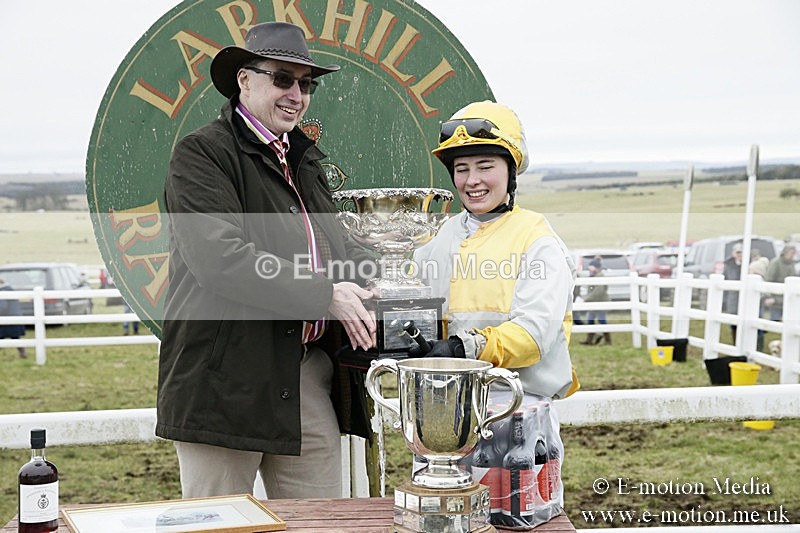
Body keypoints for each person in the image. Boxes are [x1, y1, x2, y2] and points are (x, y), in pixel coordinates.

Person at [156, 22, 377, 500]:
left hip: (305, 376)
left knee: (324, 524)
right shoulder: (202, 154)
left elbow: (338, 247)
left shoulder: (303, 160)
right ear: (244, 80)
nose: (296, 94)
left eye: (307, 84)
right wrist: (325, 294)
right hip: (224, 384)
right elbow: (221, 259)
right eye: (282, 79)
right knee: (216, 529)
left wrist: (382, 276)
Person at [412, 100, 579, 400]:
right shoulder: (438, 235)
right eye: (461, 169)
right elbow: (409, 300)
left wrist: (466, 347)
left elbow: (534, 333)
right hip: (444, 404)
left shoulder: (537, 240)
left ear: (511, 172)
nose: (472, 180)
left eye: (485, 167)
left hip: (518, 408)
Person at [581, 257, 610, 345]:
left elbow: (598, 292)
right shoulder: (593, 275)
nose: (589, 268)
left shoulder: (600, 276)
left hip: (600, 302)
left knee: (602, 320)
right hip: (593, 303)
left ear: (596, 267)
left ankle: (608, 340)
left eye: (591, 266)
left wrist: (586, 299)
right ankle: (589, 340)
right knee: (590, 320)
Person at [764, 244, 797, 321]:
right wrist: (769, 296)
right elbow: (768, 279)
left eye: (794, 253)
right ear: (785, 252)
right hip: (775, 297)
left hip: (788, 297)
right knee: (775, 319)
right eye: (791, 253)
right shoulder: (775, 263)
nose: (793, 255)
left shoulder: (792, 264)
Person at [0, 278, 26, 358]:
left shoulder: (2, 292)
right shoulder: (10, 290)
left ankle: (22, 353)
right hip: (15, 317)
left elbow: (2, 307)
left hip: (6, 318)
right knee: (16, 337)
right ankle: (23, 353)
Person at [722, 242, 743, 341]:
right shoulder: (729, 266)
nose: (739, 255)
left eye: (741, 252)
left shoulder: (748, 265)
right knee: (734, 324)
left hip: (745, 299)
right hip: (733, 298)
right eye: (737, 252)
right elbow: (725, 281)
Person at [749, 256, 770, 352]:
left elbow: (764, 293)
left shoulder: (758, 279)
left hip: (757, 304)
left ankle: (758, 347)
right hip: (755, 304)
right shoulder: (759, 278)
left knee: (758, 326)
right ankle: (757, 347)